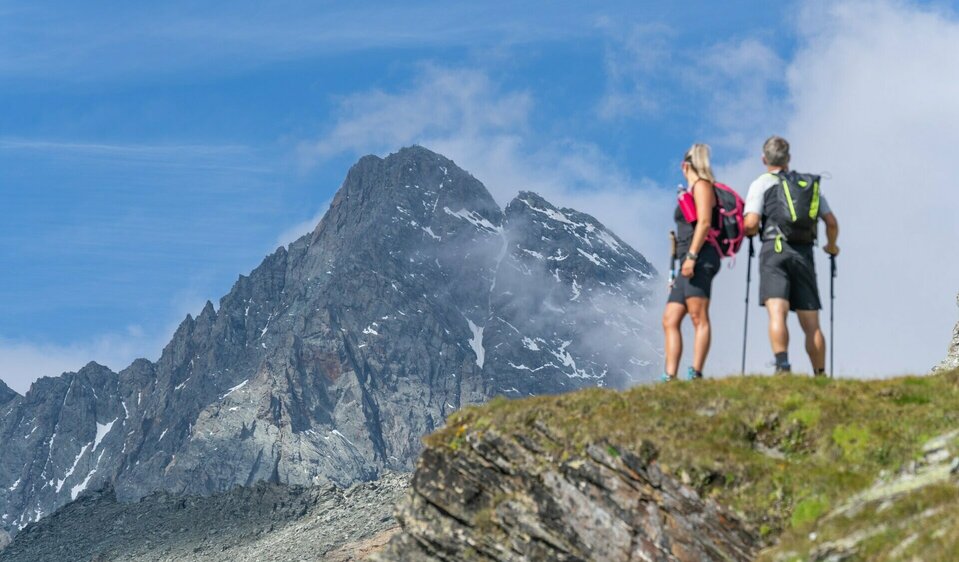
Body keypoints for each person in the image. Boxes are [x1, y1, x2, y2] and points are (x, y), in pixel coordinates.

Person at [744, 136, 840, 375]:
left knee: (777, 312)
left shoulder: (761, 183)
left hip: (774, 251)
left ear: (764, 159)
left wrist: (749, 230)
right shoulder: (807, 186)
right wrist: (831, 245)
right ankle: (819, 374)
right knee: (811, 323)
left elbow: (751, 223)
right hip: (804, 253)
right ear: (789, 159)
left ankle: (782, 365)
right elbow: (831, 221)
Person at [662, 144, 720, 381]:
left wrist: (693, 256)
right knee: (670, 318)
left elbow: (705, 222)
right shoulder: (692, 189)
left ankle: (695, 372)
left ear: (685, 166)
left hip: (700, 257)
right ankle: (670, 375)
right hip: (686, 259)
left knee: (698, 316)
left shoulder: (703, 187)